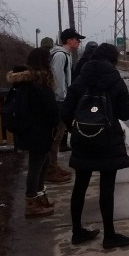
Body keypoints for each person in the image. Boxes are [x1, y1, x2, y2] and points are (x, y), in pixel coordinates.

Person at [61, 42, 129, 249]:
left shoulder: (80, 79)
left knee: (80, 186)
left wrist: (77, 130)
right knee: (107, 188)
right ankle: (109, 236)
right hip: (108, 142)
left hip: (83, 141)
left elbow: (65, 111)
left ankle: (77, 232)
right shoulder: (115, 80)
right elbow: (126, 114)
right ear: (113, 60)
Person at [6, 48, 59, 217]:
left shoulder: (25, 81)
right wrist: (58, 117)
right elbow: (49, 108)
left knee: (43, 162)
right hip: (39, 130)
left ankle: (40, 196)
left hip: (30, 129)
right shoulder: (39, 82)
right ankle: (31, 202)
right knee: (36, 167)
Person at [47, 28, 85, 182]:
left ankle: (53, 166)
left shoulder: (64, 55)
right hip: (59, 102)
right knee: (56, 136)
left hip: (60, 100)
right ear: (69, 40)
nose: (79, 41)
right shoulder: (60, 56)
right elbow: (57, 79)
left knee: (58, 135)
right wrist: (63, 98)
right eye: (77, 39)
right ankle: (50, 170)